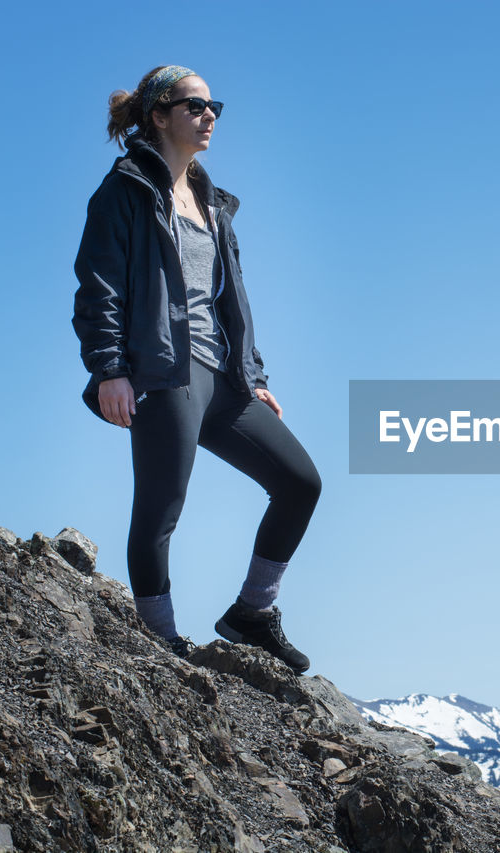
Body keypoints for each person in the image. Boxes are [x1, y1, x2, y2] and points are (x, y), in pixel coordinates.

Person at [73, 65, 321, 673]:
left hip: (223, 378)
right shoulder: (124, 193)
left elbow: (231, 299)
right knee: (161, 510)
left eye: (214, 106)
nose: (209, 115)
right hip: (163, 372)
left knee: (300, 483)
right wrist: (110, 369)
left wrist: (254, 378)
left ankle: (252, 614)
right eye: (194, 105)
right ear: (159, 115)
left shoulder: (214, 203)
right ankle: (158, 640)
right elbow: (98, 286)